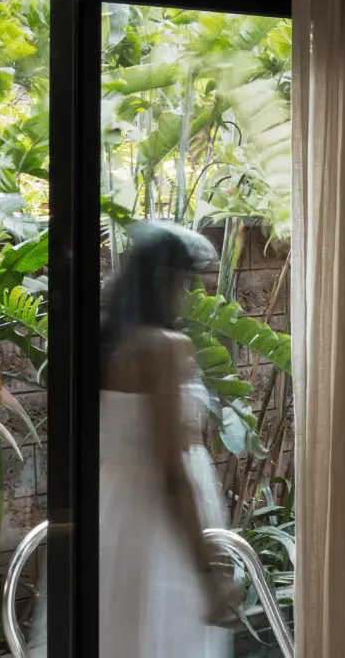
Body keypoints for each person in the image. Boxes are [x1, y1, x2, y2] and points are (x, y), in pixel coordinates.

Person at [96, 221, 237, 656]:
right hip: (161, 530)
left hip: (111, 516)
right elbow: (171, 471)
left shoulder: (105, 344)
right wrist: (206, 570)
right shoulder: (165, 348)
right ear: (168, 281)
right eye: (183, 280)